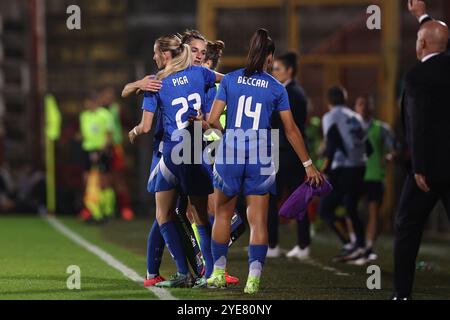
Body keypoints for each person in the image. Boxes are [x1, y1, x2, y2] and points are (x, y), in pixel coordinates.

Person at [205, 29, 322, 294]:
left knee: (223, 215)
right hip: (262, 154)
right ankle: (253, 280)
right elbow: (291, 130)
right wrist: (308, 164)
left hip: (231, 152)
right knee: (258, 219)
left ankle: (219, 274)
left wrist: (226, 135)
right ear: (269, 57)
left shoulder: (231, 80)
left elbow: (212, 121)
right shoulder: (277, 87)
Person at [128, 34, 222, 288]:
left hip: (171, 153)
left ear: (165, 55)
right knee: (202, 217)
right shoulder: (199, 75)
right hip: (194, 149)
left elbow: (146, 126)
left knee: (163, 215)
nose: (154, 57)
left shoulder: (156, 83)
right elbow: (226, 82)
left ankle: (182, 272)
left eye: (156, 53)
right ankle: (212, 273)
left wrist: (134, 132)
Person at [393, 20, 450, 300]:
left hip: (426, 171)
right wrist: (421, 16)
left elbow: (418, 123)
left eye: (418, 38)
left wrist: (419, 167)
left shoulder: (416, 75)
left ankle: (402, 294)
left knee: (407, 227)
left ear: (423, 44)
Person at [267, 52, 312, 260]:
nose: (274, 72)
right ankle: (298, 245)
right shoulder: (293, 91)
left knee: (274, 199)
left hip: (286, 152)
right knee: (290, 199)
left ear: (289, 71)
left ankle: (279, 244)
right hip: (287, 152)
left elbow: (286, 124)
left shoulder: (292, 93)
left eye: (277, 68)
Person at [319, 86, 369, 263]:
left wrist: (325, 169)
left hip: (344, 168)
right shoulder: (355, 116)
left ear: (328, 101)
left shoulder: (330, 116)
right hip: (360, 166)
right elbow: (368, 147)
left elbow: (332, 143)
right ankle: (360, 245)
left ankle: (350, 243)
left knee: (325, 209)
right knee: (351, 207)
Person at [354, 94, 397, 264]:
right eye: (360, 103)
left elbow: (394, 148)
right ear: (355, 107)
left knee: (373, 212)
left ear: (372, 108)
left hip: (374, 175)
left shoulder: (382, 128)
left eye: (367, 103)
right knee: (350, 210)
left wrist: (389, 156)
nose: (364, 107)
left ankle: (369, 247)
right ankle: (356, 243)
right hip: (354, 175)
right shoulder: (350, 126)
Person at [79, 91, 115, 223]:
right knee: (87, 181)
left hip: (102, 151)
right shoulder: (84, 116)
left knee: (104, 182)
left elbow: (108, 135)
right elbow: (85, 134)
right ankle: (94, 212)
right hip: (88, 150)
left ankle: (107, 211)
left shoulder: (105, 115)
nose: (88, 105)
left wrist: (101, 152)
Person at [99, 86, 134, 221]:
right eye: (104, 96)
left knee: (119, 178)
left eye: (109, 96)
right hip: (106, 147)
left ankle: (126, 208)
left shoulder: (116, 109)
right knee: (106, 180)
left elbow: (126, 124)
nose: (106, 98)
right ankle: (108, 209)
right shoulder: (103, 111)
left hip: (115, 147)